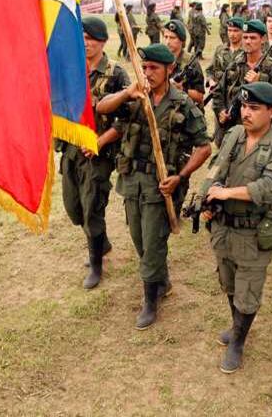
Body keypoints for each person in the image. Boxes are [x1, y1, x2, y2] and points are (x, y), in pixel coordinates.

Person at [97, 44, 211, 330]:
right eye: (144, 67)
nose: (147, 73)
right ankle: (162, 280)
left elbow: (204, 147)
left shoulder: (182, 103)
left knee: (153, 242)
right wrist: (128, 92)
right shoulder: (136, 96)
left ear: (169, 70)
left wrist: (181, 177)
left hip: (160, 186)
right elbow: (101, 107)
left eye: (154, 68)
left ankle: (150, 300)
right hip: (131, 180)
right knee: (139, 238)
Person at [196, 81, 272, 373]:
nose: (246, 113)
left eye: (254, 108)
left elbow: (271, 187)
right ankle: (236, 325)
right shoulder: (235, 133)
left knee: (247, 291)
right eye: (244, 106)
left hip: (253, 232)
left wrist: (227, 193)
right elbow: (217, 166)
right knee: (228, 281)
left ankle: (239, 340)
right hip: (224, 227)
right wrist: (207, 197)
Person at [58, 17, 131, 289]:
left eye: (91, 39)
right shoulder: (71, 69)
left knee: (91, 210)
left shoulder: (115, 74)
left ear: (103, 42)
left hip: (99, 154)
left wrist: (99, 143)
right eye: (82, 38)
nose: (86, 44)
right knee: (74, 208)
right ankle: (102, 243)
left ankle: (96, 264)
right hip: (71, 148)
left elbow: (125, 122)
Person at [213, 20, 272, 138]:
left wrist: (260, 83)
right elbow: (218, 92)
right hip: (233, 129)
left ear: (263, 39)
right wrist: (221, 110)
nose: (247, 41)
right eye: (245, 37)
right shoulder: (234, 64)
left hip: (259, 131)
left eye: (253, 38)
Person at [162, 19, 205, 105]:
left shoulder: (191, 62)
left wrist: (182, 90)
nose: (167, 42)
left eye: (172, 38)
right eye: (165, 37)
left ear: (182, 40)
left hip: (185, 110)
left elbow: (200, 97)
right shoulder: (160, 59)